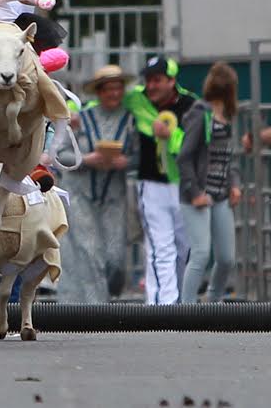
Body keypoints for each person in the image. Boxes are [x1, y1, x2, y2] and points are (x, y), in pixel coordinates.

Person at [55, 65, 135, 303]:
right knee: (90, 252)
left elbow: (142, 157)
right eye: (108, 89)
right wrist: (86, 159)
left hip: (114, 196)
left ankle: (111, 292)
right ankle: (97, 313)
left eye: (118, 88)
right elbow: (60, 155)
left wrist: (126, 162)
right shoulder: (80, 119)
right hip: (81, 193)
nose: (113, 94)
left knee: (115, 257)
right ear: (99, 92)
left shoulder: (132, 120)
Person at [124, 56, 197, 305]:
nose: (151, 86)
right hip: (152, 185)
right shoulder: (136, 97)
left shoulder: (191, 105)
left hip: (184, 186)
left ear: (172, 80)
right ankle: (162, 307)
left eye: (157, 80)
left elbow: (198, 142)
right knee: (160, 247)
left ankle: (180, 301)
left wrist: (172, 136)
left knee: (184, 247)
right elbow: (104, 101)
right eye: (148, 80)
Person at [178, 62, 242, 303]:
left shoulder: (226, 117)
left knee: (226, 257)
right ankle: (186, 308)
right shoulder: (200, 113)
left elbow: (229, 157)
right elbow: (184, 156)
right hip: (198, 195)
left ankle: (213, 300)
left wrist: (234, 184)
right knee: (201, 253)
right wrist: (194, 192)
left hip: (221, 194)